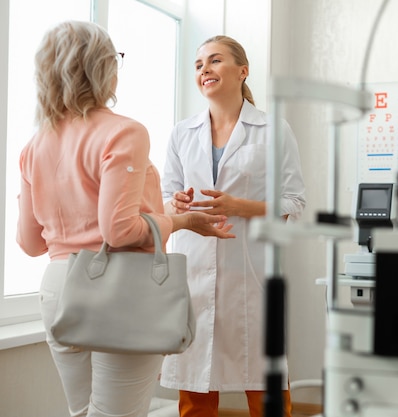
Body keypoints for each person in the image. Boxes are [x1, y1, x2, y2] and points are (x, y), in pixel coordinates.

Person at [16, 21, 236, 417]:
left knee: (82, 412)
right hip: (118, 288)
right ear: (101, 68)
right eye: (115, 58)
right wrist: (180, 222)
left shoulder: (36, 143)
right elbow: (118, 232)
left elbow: (31, 243)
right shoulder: (123, 133)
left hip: (57, 287)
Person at [159, 35, 306, 417]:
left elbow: (294, 202)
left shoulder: (274, 130)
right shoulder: (181, 133)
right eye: (198, 64)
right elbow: (164, 197)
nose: (204, 69)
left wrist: (238, 206)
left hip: (251, 272)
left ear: (243, 71)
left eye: (214, 60)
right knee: (194, 393)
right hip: (194, 273)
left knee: (266, 390)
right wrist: (176, 203)